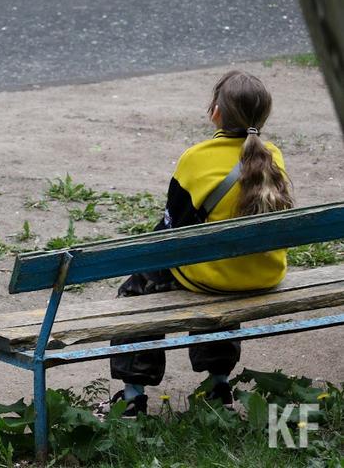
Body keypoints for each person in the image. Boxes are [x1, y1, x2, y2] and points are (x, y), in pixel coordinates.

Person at [97, 70, 294, 417]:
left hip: (214, 277)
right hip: (264, 272)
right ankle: (218, 385)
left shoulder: (197, 158)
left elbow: (174, 228)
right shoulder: (273, 155)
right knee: (223, 265)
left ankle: (131, 397)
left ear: (215, 112)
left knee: (137, 289)